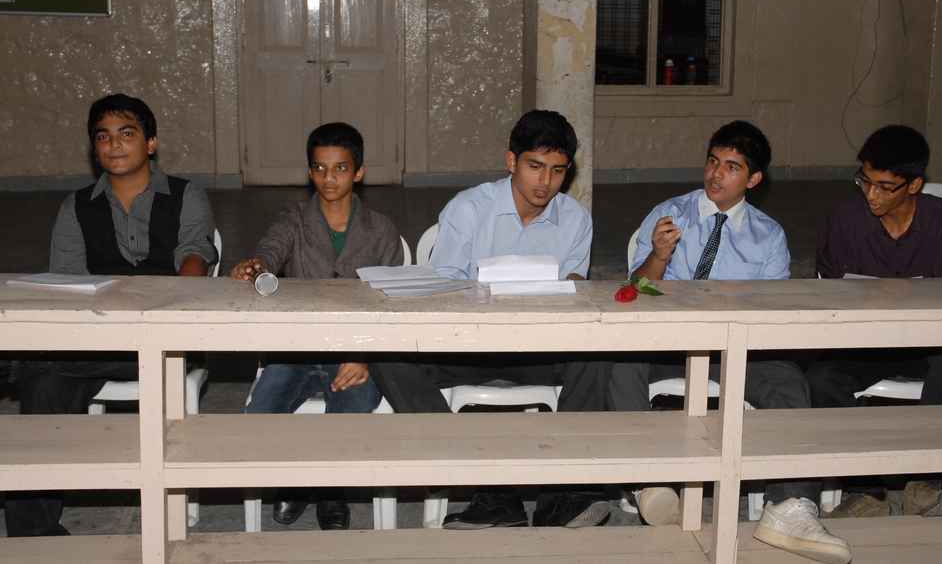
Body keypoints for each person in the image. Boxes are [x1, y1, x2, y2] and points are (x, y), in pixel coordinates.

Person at [613, 121, 852, 564]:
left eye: (732, 167)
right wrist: (659, 256)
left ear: (754, 179)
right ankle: (648, 479)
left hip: (734, 347)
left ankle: (790, 505)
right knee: (621, 361)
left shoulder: (769, 235)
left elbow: (771, 315)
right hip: (668, 342)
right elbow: (634, 290)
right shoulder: (670, 212)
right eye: (712, 161)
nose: (716, 174)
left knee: (787, 381)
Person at [370, 109, 611, 529]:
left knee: (600, 355)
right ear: (511, 161)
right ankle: (486, 485)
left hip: (538, 348)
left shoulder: (575, 218)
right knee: (387, 355)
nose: (545, 182)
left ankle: (562, 493)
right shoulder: (469, 208)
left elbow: (575, 291)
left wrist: (568, 289)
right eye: (535, 166)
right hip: (469, 346)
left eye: (557, 171)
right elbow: (443, 292)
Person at [7, 93, 217, 537]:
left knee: (40, 366)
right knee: (44, 381)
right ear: (93, 147)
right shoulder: (77, 206)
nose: (114, 144)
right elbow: (66, 285)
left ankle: (14, 362)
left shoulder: (185, 195)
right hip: (99, 336)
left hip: (165, 332)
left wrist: (175, 300)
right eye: (103, 136)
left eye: (127, 133)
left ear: (151, 142)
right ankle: (35, 535)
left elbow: (194, 254)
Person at [808, 124, 942, 518]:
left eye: (885, 187)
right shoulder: (844, 220)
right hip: (866, 343)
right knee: (821, 377)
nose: (871, 195)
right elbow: (828, 288)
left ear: (914, 185)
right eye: (865, 181)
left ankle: (924, 483)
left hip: (933, 344)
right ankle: (866, 490)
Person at [230, 122, 402, 530]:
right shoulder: (293, 220)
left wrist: (364, 355)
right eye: (320, 168)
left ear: (358, 172)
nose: (329, 178)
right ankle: (298, 479)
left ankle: (329, 491)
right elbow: (270, 251)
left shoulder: (381, 230)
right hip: (296, 348)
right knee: (258, 417)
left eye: (340, 168)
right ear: (310, 172)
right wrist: (255, 266)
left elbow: (392, 302)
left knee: (350, 410)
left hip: (354, 351)